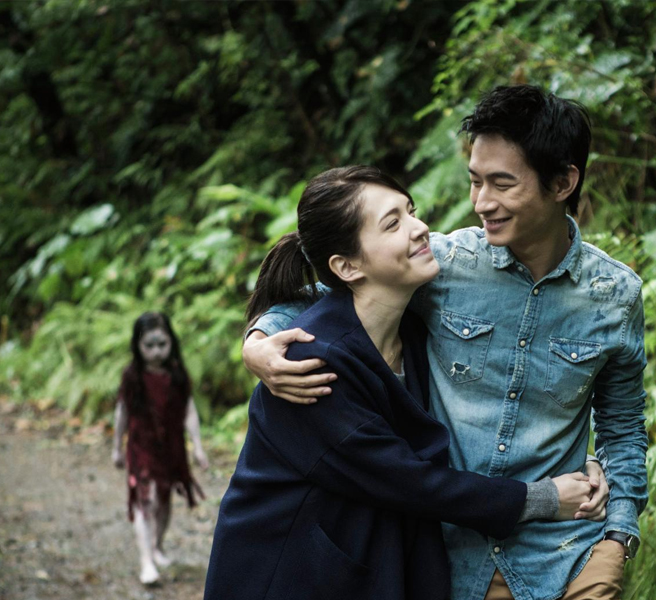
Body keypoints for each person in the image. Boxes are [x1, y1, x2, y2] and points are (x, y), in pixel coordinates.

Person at [243, 86, 646, 600]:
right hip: (446, 561)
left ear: (563, 182)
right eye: (475, 180)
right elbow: (336, 291)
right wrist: (259, 340)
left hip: (567, 557)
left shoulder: (615, 295)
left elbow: (622, 426)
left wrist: (618, 539)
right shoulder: (444, 265)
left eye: (502, 183)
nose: (481, 202)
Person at [204, 166, 604, 600]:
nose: (420, 227)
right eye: (393, 223)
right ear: (347, 266)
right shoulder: (310, 365)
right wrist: (543, 498)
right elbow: (408, 480)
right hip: (287, 573)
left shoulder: (414, 332)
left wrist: (571, 457)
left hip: (359, 559)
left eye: (410, 211)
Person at [112, 311, 208, 585]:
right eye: (149, 345)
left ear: (171, 342)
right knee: (146, 499)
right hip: (141, 447)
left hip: (171, 447)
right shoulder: (132, 376)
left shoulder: (177, 374)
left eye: (162, 344)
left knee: (164, 501)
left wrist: (197, 446)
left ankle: (157, 546)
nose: (156, 351)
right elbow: (122, 412)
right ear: (137, 345)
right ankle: (146, 561)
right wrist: (116, 447)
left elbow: (189, 410)